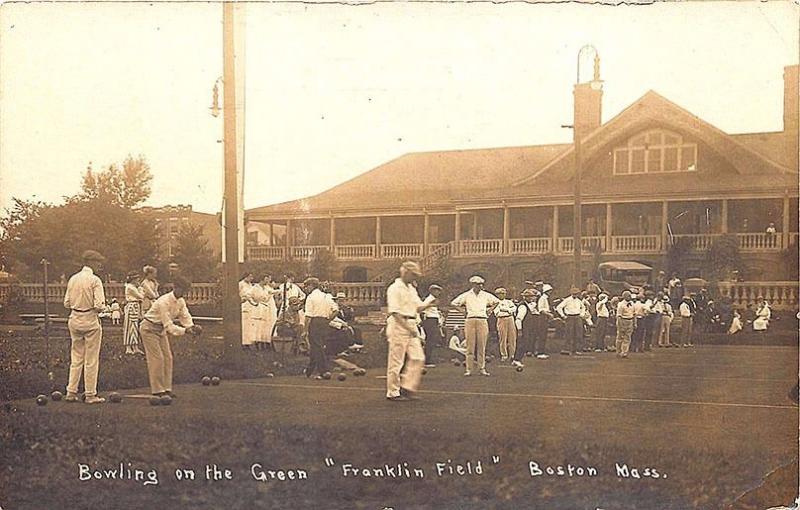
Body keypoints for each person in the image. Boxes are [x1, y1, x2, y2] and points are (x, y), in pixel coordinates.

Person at [140, 276, 202, 397]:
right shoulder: (164, 301)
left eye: (186, 290)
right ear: (175, 287)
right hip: (148, 329)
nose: (185, 293)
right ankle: (158, 391)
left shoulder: (181, 301)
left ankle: (167, 389)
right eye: (183, 290)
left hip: (160, 330)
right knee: (157, 359)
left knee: (168, 358)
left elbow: (185, 316)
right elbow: (169, 326)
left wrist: (192, 327)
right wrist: (185, 331)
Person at [385, 261, 435, 400]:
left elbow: (418, 308)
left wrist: (431, 300)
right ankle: (393, 392)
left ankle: (407, 388)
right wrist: (408, 328)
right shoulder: (394, 288)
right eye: (413, 274)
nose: (414, 278)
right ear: (405, 272)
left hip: (412, 322)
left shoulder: (411, 289)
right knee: (396, 361)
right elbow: (395, 313)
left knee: (418, 357)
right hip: (398, 325)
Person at [63, 250, 108, 404]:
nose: (100, 264)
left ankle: (71, 392)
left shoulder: (73, 279)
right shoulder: (95, 280)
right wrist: (106, 308)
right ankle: (90, 394)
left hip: (74, 318)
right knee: (91, 359)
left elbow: (66, 303)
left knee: (76, 357)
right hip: (90, 320)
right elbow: (99, 305)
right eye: (98, 261)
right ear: (91, 262)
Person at [450, 275, 499, 376]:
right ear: (473, 285)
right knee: (470, 346)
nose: (480, 286)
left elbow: (496, 302)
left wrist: (490, 310)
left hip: (482, 319)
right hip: (470, 320)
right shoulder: (466, 295)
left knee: (482, 345)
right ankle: (469, 369)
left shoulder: (486, 295)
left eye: (481, 284)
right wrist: (463, 311)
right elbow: (454, 303)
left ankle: (482, 368)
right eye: (477, 284)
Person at [303, 277, 338, 379]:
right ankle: (309, 370)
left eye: (306, 286)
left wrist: (305, 330)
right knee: (317, 346)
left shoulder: (310, 297)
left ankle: (324, 371)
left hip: (315, 322)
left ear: (311, 286)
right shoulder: (327, 296)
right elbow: (336, 311)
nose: (305, 288)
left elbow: (308, 316)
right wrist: (328, 319)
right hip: (324, 322)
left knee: (317, 346)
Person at [556, 287, 586, 355]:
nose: (575, 295)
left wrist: (582, 314)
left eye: (576, 294)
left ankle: (577, 349)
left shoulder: (578, 300)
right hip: (570, 317)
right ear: (571, 294)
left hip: (577, 317)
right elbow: (559, 307)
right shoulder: (567, 300)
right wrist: (563, 315)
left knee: (578, 333)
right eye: (574, 294)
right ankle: (567, 349)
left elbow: (583, 307)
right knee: (569, 333)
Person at [512, 289, 537, 368]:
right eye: (529, 297)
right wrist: (519, 330)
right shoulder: (523, 306)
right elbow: (519, 319)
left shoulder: (528, 305)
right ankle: (517, 359)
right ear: (525, 297)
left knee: (525, 343)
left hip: (527, 327)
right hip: (523, 328)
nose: (531, 298)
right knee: (522, 344)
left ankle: (517, 359)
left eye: (532, 296)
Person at [421, 284, 444, 368]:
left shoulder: (433, 299)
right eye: (437, 290)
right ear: (432, 291)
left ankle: (428, 359)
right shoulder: (429, 299)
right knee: (430, 340)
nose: (438, 292)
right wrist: (430, 304)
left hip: (434, 320)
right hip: (430, 320)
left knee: (432, 340)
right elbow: (422, 307)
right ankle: (426, 360)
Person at [123, 271, 146, 355]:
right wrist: (141, 290)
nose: (138, 281)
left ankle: (135, 346)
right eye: (137, 279)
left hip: (135, 307)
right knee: (130, 326)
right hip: (131, 307)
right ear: (133, 280)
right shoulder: (130, 287)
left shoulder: (133, 287)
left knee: (135, 327)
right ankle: (128, 347)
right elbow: (141, 297)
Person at [493, 288, 517, 362]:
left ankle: (512, 354)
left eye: (504, 293)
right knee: (503, 338)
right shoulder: (495, 302)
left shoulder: (509, 302)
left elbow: (514, 309)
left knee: (512, 337)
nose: (502, 295)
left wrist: (506, 310)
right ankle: (504, 355)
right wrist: (508, 310)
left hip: (510, 319)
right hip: (501, 319)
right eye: (500, 293)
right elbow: (497, 313)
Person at [257, 275, 280, 347]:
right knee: (264, 323)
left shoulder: (268, 288)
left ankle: (270, 340)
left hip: (271, 307)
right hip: (265, 306)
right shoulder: (265, 288)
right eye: (269, 280)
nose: (272, 282)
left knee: (271, 322)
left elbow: (274, 292)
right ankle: (262, 341)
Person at [534, 284, 553, 359]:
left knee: (544, 335)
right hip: (542, 318)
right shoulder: (543, 298)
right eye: (549, 291)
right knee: (542, 335)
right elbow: (541, 309)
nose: (550, 292)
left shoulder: (546, 298)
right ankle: (540, 352)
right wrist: (549, 314)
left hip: (545, 317)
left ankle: (541, 351)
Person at [239, 272, 258, 349]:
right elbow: (236, 294)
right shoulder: (240, 284)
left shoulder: (251, 285)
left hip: (251, 305)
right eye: (250, 277)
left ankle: (248, 342)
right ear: (245, 277)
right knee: (244, 324)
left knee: (250, 324)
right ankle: (243, 342)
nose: (251, 278)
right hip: (244, 305)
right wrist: (241, 300)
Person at [615, 291, 636, 358]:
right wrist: (620, 325)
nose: (630, 297)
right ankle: (618, 351)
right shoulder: (621, 304)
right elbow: (619, 316)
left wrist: (635, 323)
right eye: (628, 296)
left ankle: (624, 352)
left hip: (630, 320)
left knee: (627, 337)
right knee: (620, 337)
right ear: (624, 297)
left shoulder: (632, 303)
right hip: (623, 320)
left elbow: (634, 314)